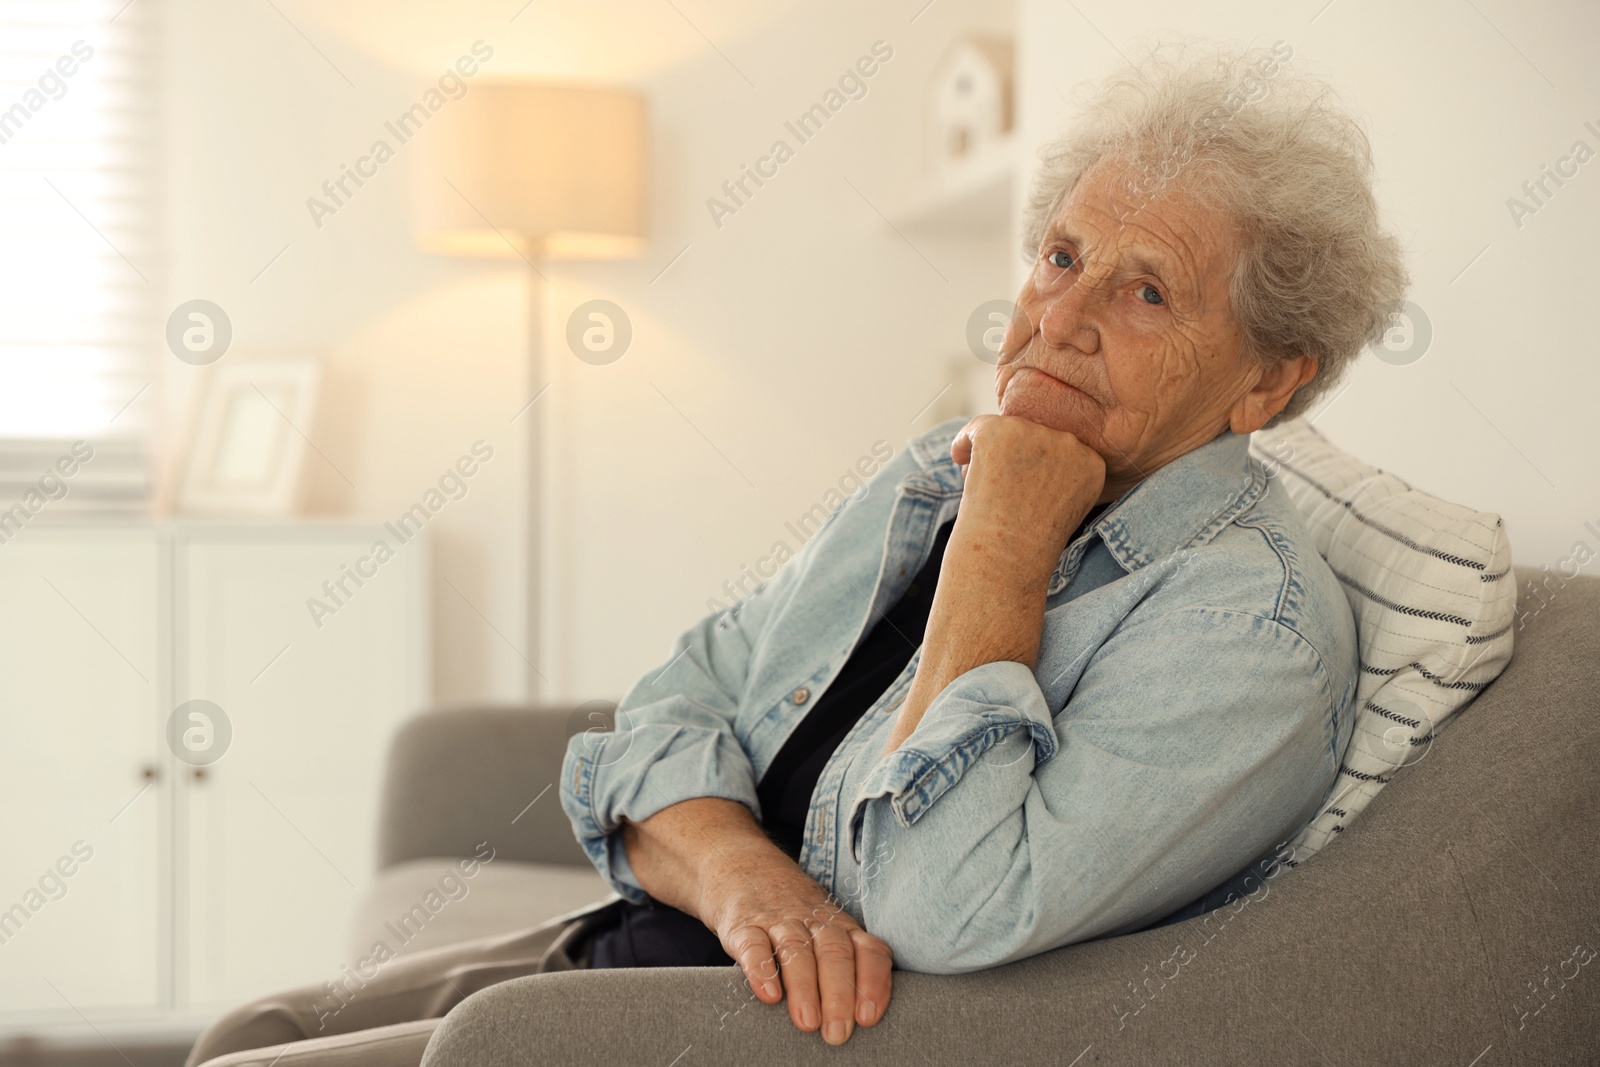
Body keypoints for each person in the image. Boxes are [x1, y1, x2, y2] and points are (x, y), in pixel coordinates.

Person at [187, 39, 1406, 1066]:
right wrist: (738, 876)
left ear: (1267, 379)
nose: (1061, 319)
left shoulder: (1248, 633)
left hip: (756, 1028)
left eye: (1146, 293)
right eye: (1062, 257)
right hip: (665, 933)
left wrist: (1004, 544)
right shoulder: (945, 465)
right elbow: (672, 699)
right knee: (252, 1024)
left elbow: (945, 902)